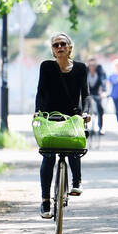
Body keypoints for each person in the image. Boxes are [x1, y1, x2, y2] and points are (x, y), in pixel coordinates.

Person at [34, 32, 91, 217]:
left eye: (62, 44)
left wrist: (86, 113)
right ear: (52, 50)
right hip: (50, 116)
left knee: (74, 145)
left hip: (73, 116)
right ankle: (45, 201)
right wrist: (38, 112)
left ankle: (77, 183)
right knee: (48, 155)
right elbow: (41, 91)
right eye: (55, 45)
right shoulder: (47, 67)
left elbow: (86, 94)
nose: (59, 47)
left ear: (69, 48)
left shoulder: (81, 68)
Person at [86, 55, 107, 135]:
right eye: (90, 65)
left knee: (100, 108)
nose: (92, 67)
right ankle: (86, 127)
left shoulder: (100, 70)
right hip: (87, 93)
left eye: (94, 65)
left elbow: (103, 81)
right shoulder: (85, 70)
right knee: (85, 109)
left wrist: (103, 91)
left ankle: (101, 127)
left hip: (97, 93)